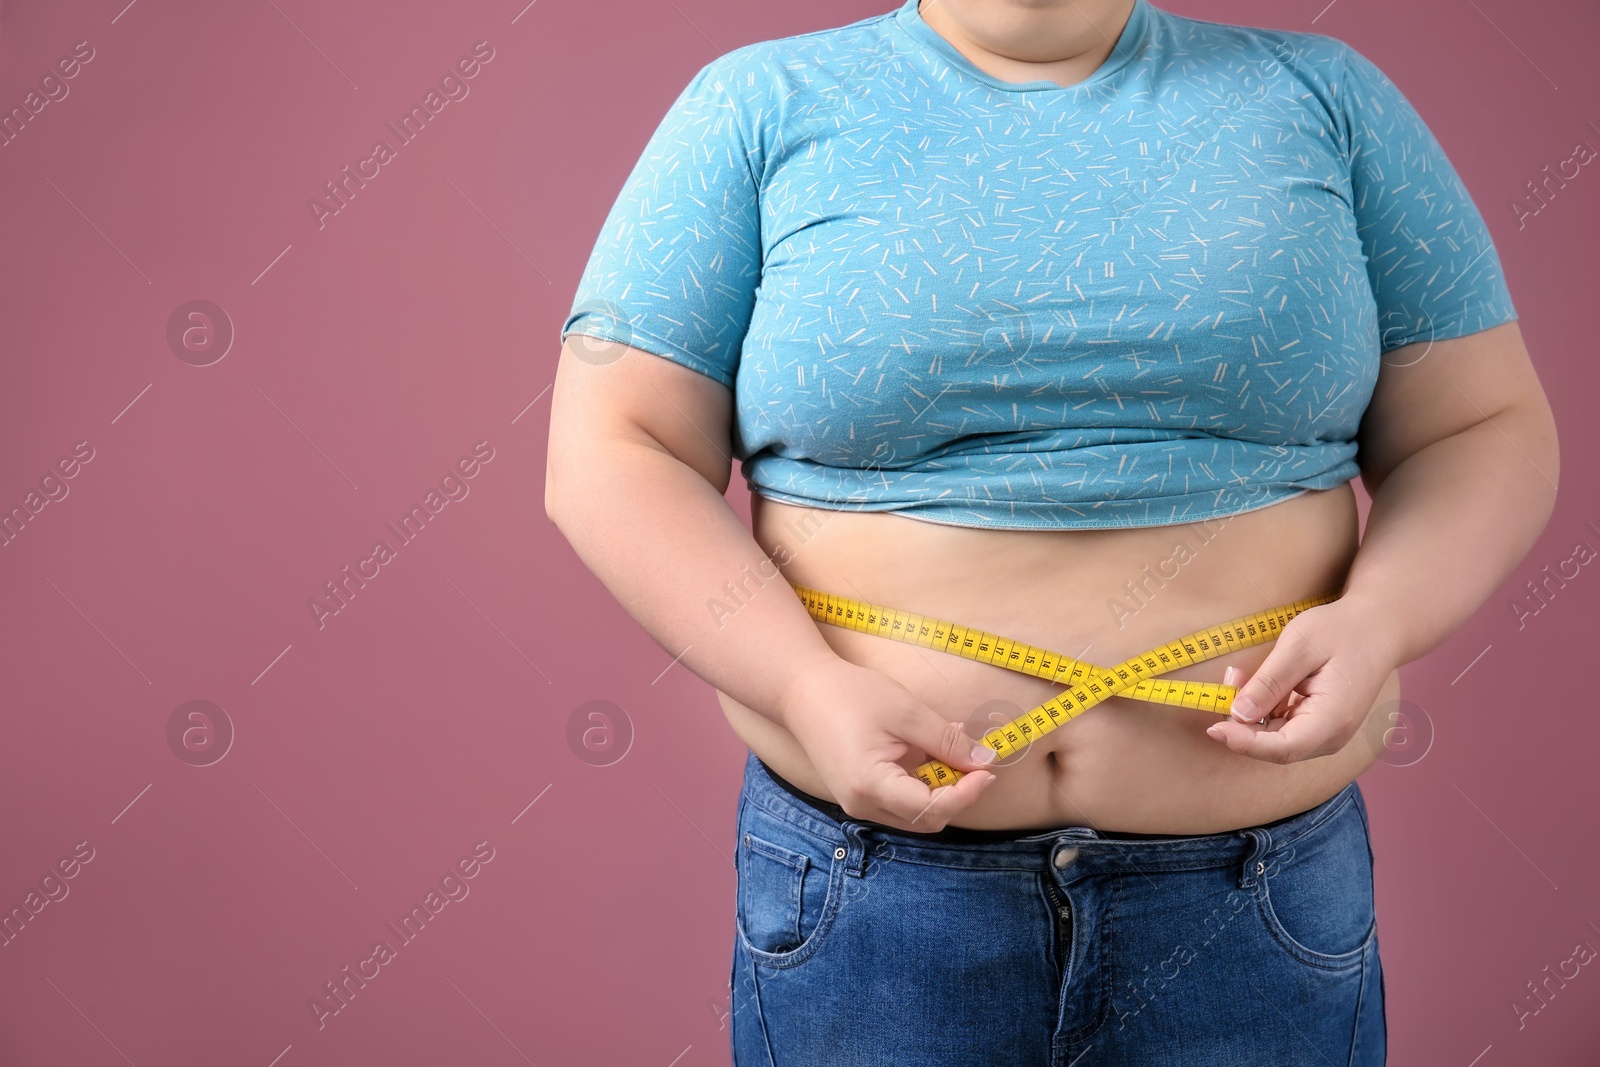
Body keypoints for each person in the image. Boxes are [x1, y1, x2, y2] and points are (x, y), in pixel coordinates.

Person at [546, 0, 1560, 1062]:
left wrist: (1385, 617)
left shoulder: (1325, 97)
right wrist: (804, 682)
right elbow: (614, 450)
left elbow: (1478, 425)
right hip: (870, 892)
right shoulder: (756, 108)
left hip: (1255, 901)